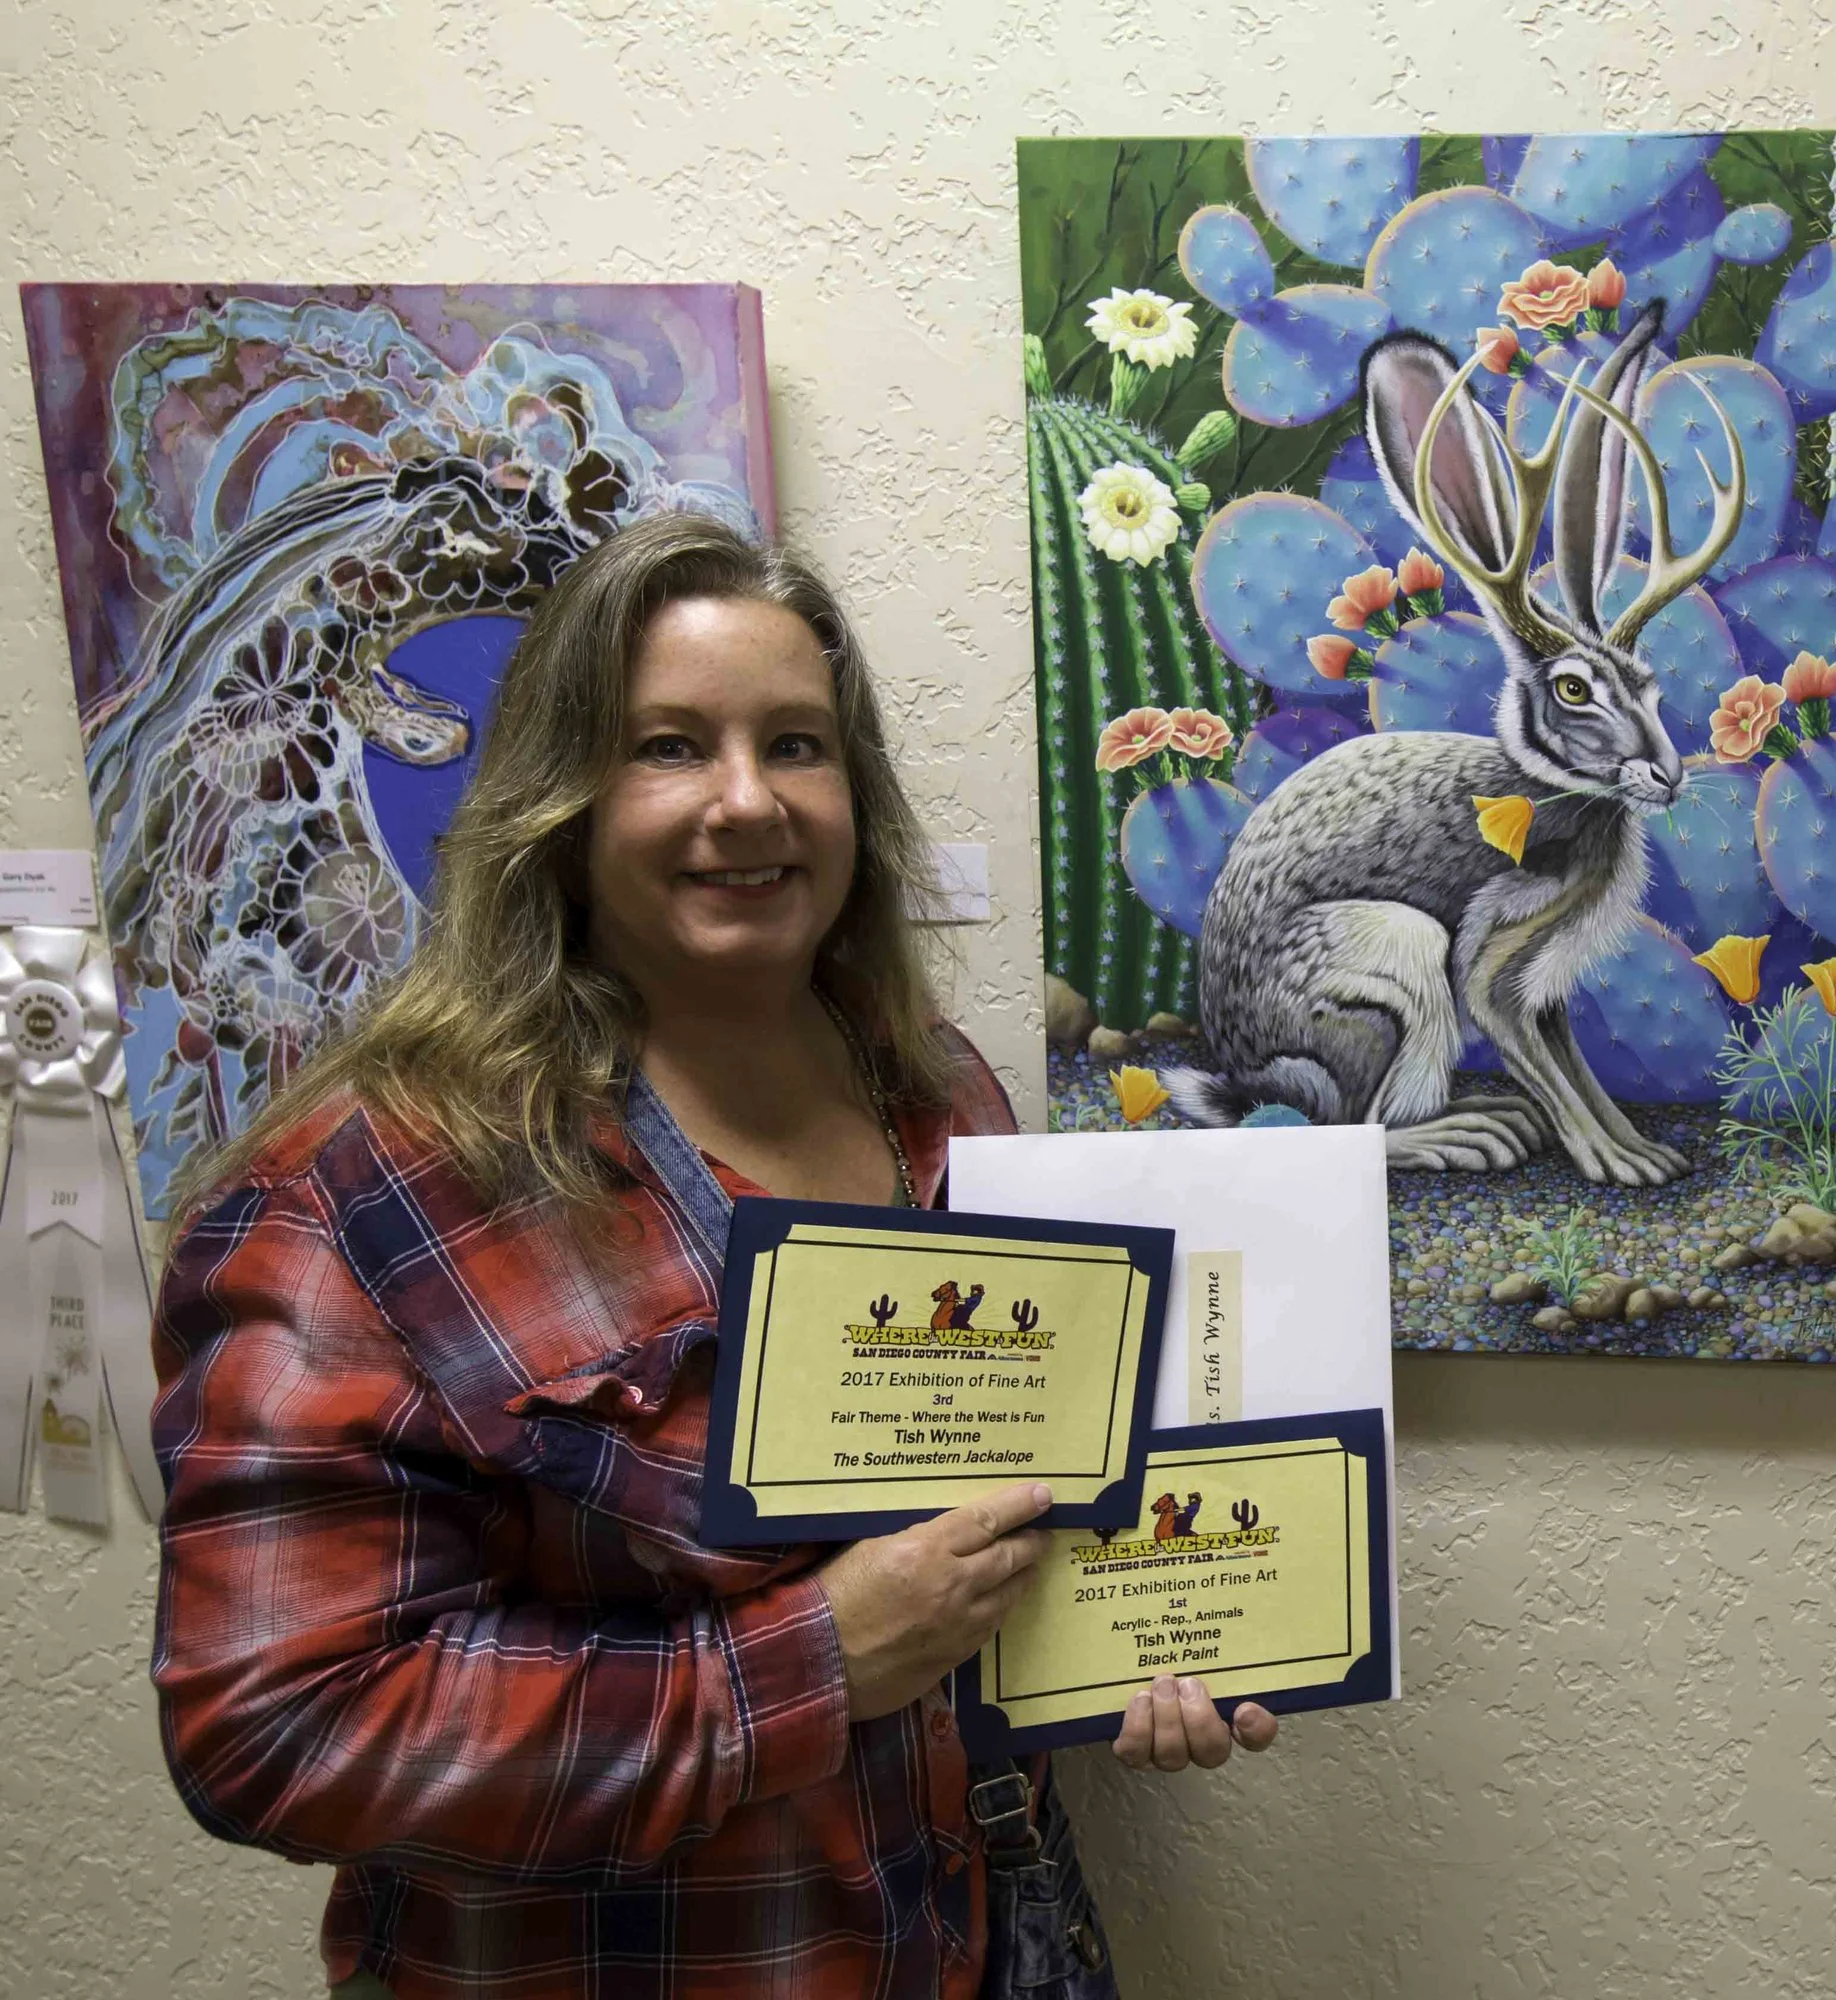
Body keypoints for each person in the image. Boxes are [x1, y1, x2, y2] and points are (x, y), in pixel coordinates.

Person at [149, 511, 1275, 2000]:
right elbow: (276, 1730)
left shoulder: (939, 1092)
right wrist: (812, 1662)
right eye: (669, 747)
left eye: (796, 745)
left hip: (975, 1938)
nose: (749, 802)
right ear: (558, 801)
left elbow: (995, 1514)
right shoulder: (364, 1189)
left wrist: (1136, 1634)